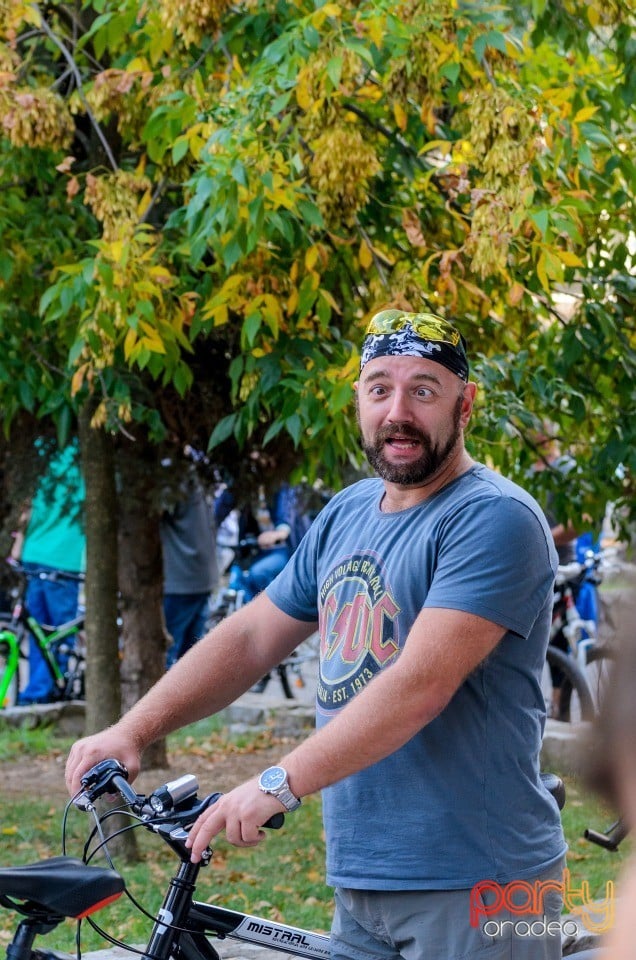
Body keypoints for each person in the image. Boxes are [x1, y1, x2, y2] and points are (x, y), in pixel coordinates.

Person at [66, 306, 565, 960]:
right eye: (380, 388)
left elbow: (421, 685)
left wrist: (279, 781)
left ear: (464, 404)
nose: (398, 411)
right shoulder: (348, 512)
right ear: (357, 399)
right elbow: (251, 637)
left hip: (484, 882)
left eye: (424, 390)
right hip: (363, 882)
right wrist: (134, 728)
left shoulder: (493, 520)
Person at [16, 438, 85, 705]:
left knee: (37, 631)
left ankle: (35, 691)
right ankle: (45, 693)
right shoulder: (84, 455)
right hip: (63, 557)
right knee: (60, 631)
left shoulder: (42, 448)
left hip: (33, 552)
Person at [161, 467, 219, 668]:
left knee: (166, 655)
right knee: (191, 661)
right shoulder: (194, 473)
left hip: (181, 580)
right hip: (201, 577)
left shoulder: (171, 478)